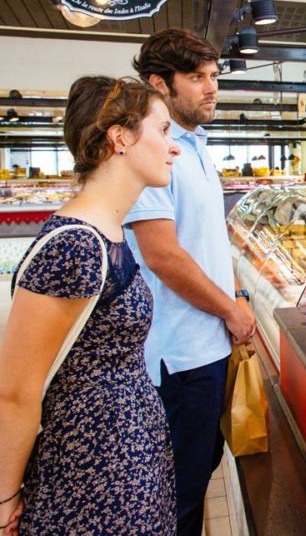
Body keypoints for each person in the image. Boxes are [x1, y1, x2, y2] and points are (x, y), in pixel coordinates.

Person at [0, 76, 181, 535]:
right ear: (119, 137)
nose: (173, 146)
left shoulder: (109, 233)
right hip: (89, 481)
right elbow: (16, 391)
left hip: (125, 465)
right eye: (162, 130)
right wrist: (5, 497)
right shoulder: (75, 246)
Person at [125, 29, 256, 536]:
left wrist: (237, 294)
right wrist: (228, 309)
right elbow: (163, 256)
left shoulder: (196, 146)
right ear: (159, 83)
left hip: (210, 347)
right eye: (196, 78)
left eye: (214, 76)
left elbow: (205, 239)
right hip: (178, 354)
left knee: (199, 475)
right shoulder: (151, 150)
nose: (211, 88)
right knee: (176, 495)